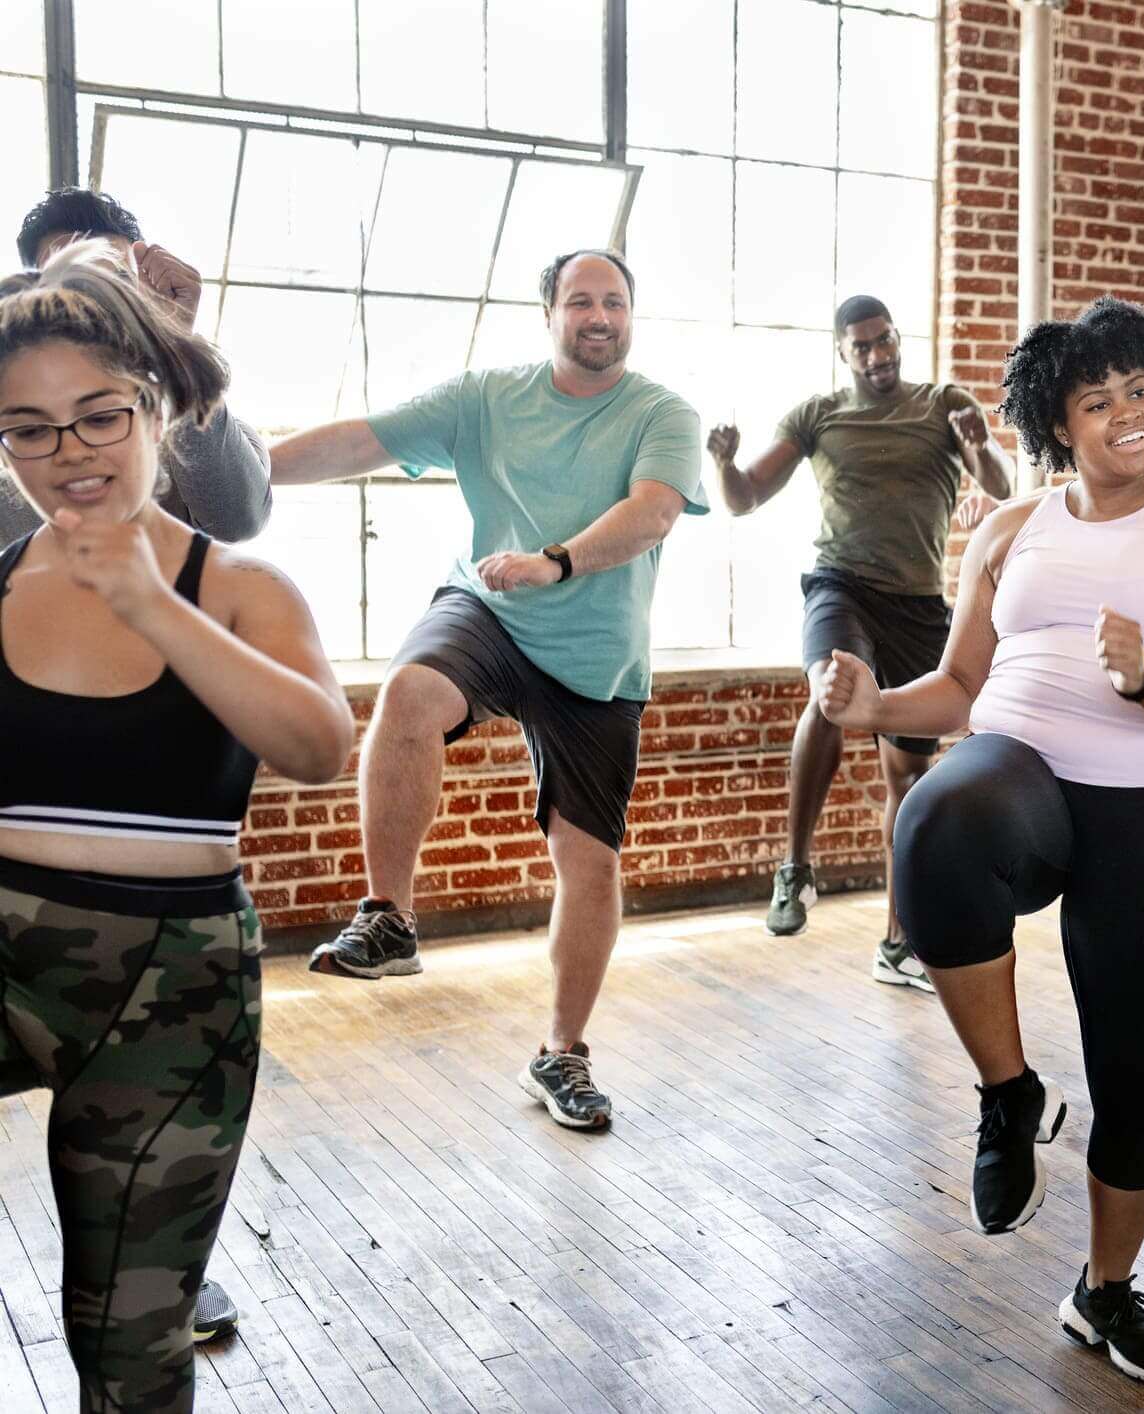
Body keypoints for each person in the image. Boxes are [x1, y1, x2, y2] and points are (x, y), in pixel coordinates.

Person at [816, 297, 1144, 1385]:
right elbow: (960, 687)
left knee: (1142, 1072)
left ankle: (1104, 1291)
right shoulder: (1012, 526)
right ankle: (1009, 1095)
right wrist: (871, 708)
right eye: (1097, 398)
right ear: (1056, 424)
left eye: (1142, 393)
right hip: (1015, 768)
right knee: (933, 820)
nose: (1130, 415)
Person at [0, 248, 354, 1409]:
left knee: (131, 1336)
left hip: (176, 982)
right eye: (30, 430)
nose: (69, 454)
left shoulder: (242, 586)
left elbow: (315, 747)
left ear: (154, 407)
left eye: (98, 416)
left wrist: (147, 599)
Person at [269, 248, 706, 1132]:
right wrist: (238, 475)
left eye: (614, 301)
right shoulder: (485, 399)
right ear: (548, 312)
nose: (599, 316)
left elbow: (654, 512)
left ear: (631, 313)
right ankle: (389, 916)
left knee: (588, 863)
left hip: (595, 658)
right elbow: (362, 438)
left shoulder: (665, 412)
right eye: (580, 300)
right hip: (491, 610)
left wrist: (558, 562)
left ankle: (562, 1053)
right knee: (408, 695)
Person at [16, 188, 282, 1346]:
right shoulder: (27, 417)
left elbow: (239, 508)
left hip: (173, 942)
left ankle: (156, 1260)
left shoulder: (164, 433)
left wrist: (176, 343)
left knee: (132, 1324)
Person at [709, 295, 1014, 990]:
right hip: (839, 585)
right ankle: (795, 867)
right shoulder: (818, 415)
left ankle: (898, 943)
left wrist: (975, 441)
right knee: (831, 687)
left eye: (885, 342)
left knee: (908, 777)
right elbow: (743, 495)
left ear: (897, 339)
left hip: (915, 608)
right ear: (842, 353)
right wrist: (722, 463)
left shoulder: (941, 403)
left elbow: (997, 484)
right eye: (862, 347)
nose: (877, 356)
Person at [4, 187, 272, 547]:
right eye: (70, 284)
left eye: (116, 282)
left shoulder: (201, 424)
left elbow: (239, 519)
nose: (97, 302)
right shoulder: (10, 432)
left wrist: (174, 345)